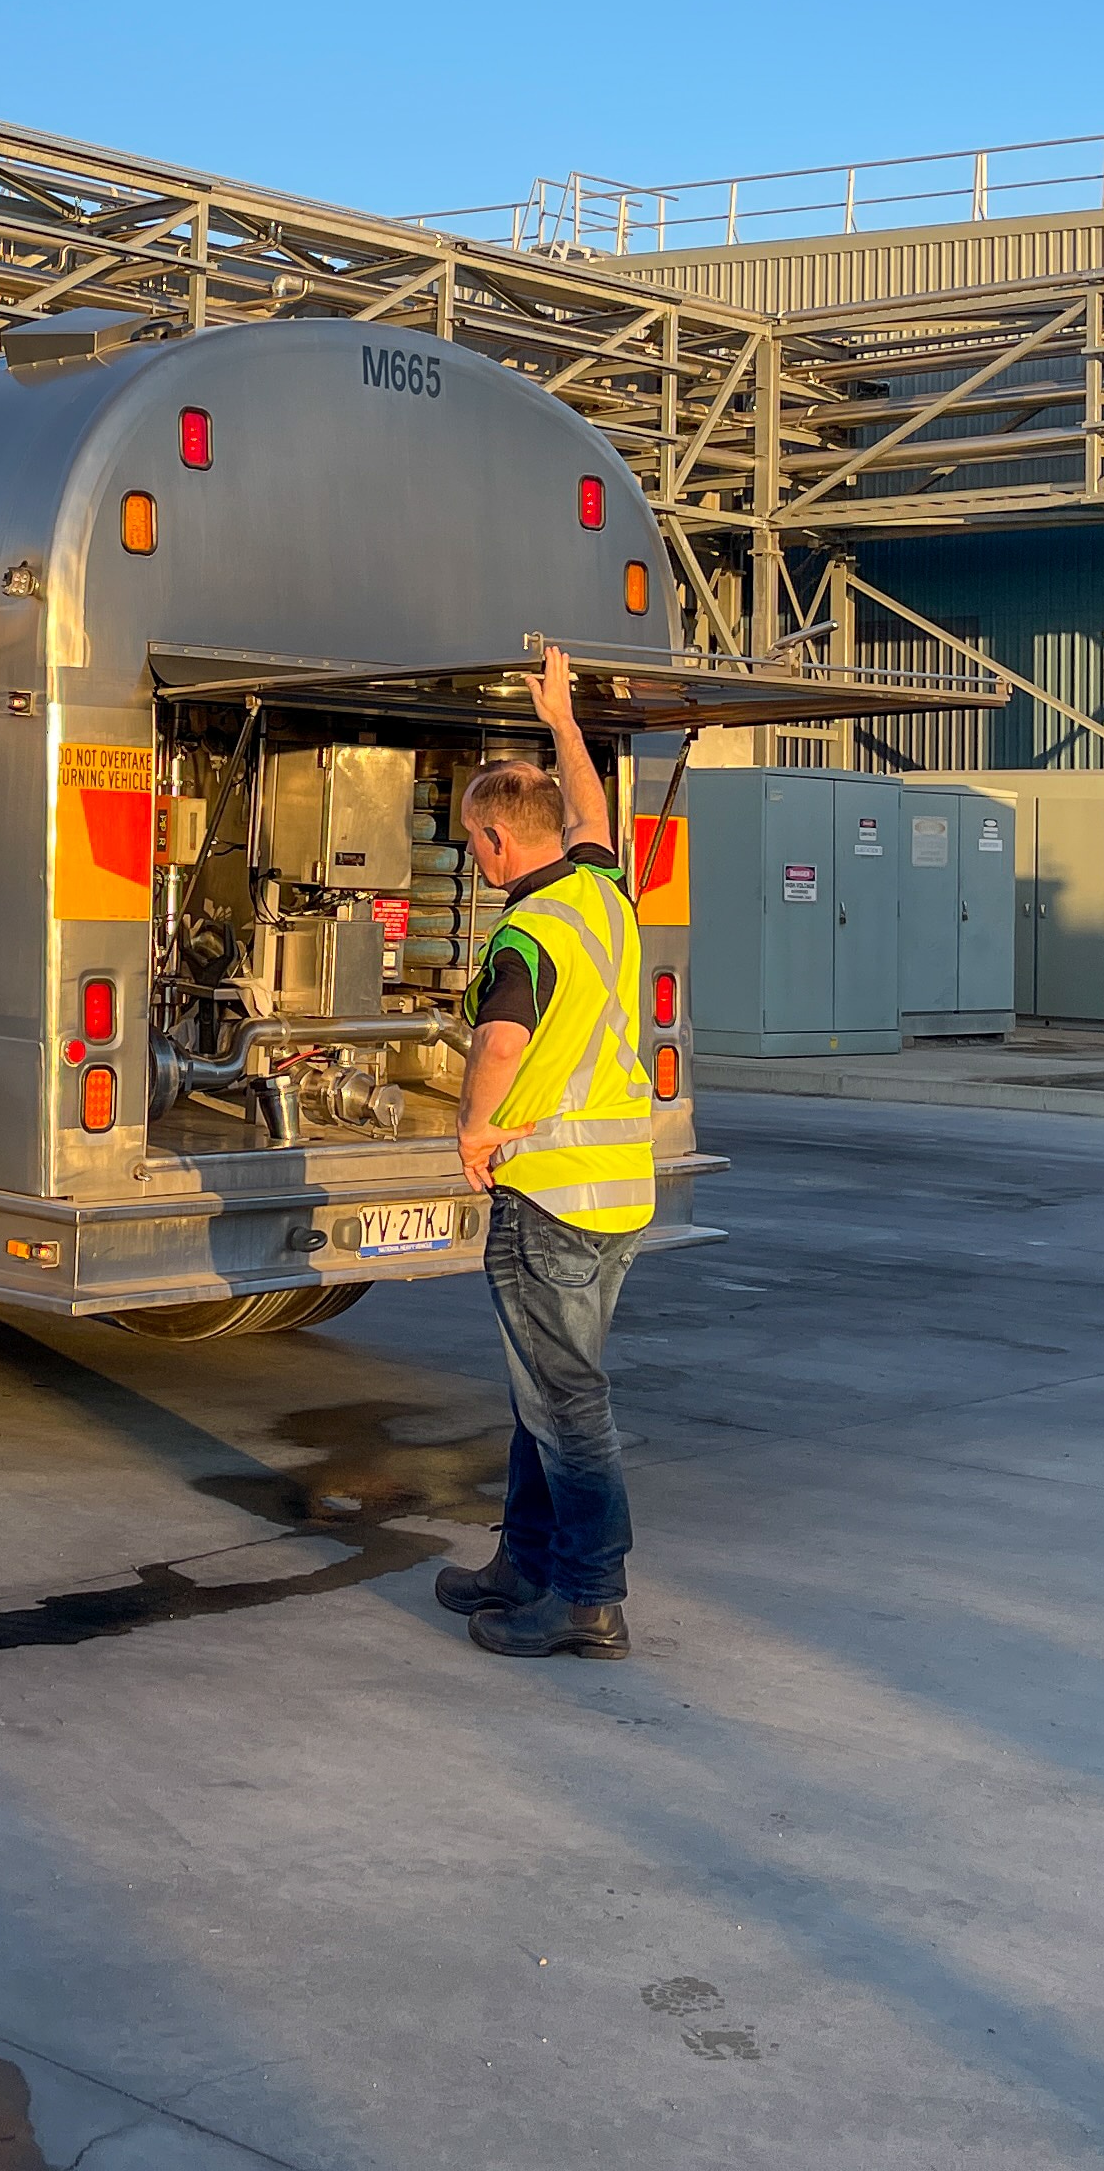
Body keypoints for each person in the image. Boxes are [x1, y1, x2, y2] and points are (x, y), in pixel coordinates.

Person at [440, 644, 656, 1660]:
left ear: (493, 841)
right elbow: (593, 815)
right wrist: (564, 723)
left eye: (471, 840)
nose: (473, 855)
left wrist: (473, 1130)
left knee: (568, 1406)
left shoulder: (526, 933)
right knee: (547, 1390)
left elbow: (501, 1043)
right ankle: (522, 1565)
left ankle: (587, 1600)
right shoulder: (602, 894)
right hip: (617, 1198)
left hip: (551, 1199)